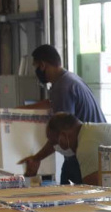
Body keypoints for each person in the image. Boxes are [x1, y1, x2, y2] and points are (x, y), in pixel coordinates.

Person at [19, 44, 106, 184]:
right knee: (66, 175)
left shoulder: (63, 87)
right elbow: (50, 103)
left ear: (42, 65)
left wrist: (37, 158)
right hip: (94, 146)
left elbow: (60, 133)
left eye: (36, 66)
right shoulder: (70, 79)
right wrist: (17, 110)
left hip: (88, 150)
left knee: (72, 183)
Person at [26, 113, 111, 185]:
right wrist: (37, 158)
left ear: (63, 137)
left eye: (54, 142)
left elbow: (93, 191)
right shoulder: (87, 132)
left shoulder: (85, 147)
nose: (55, 147)